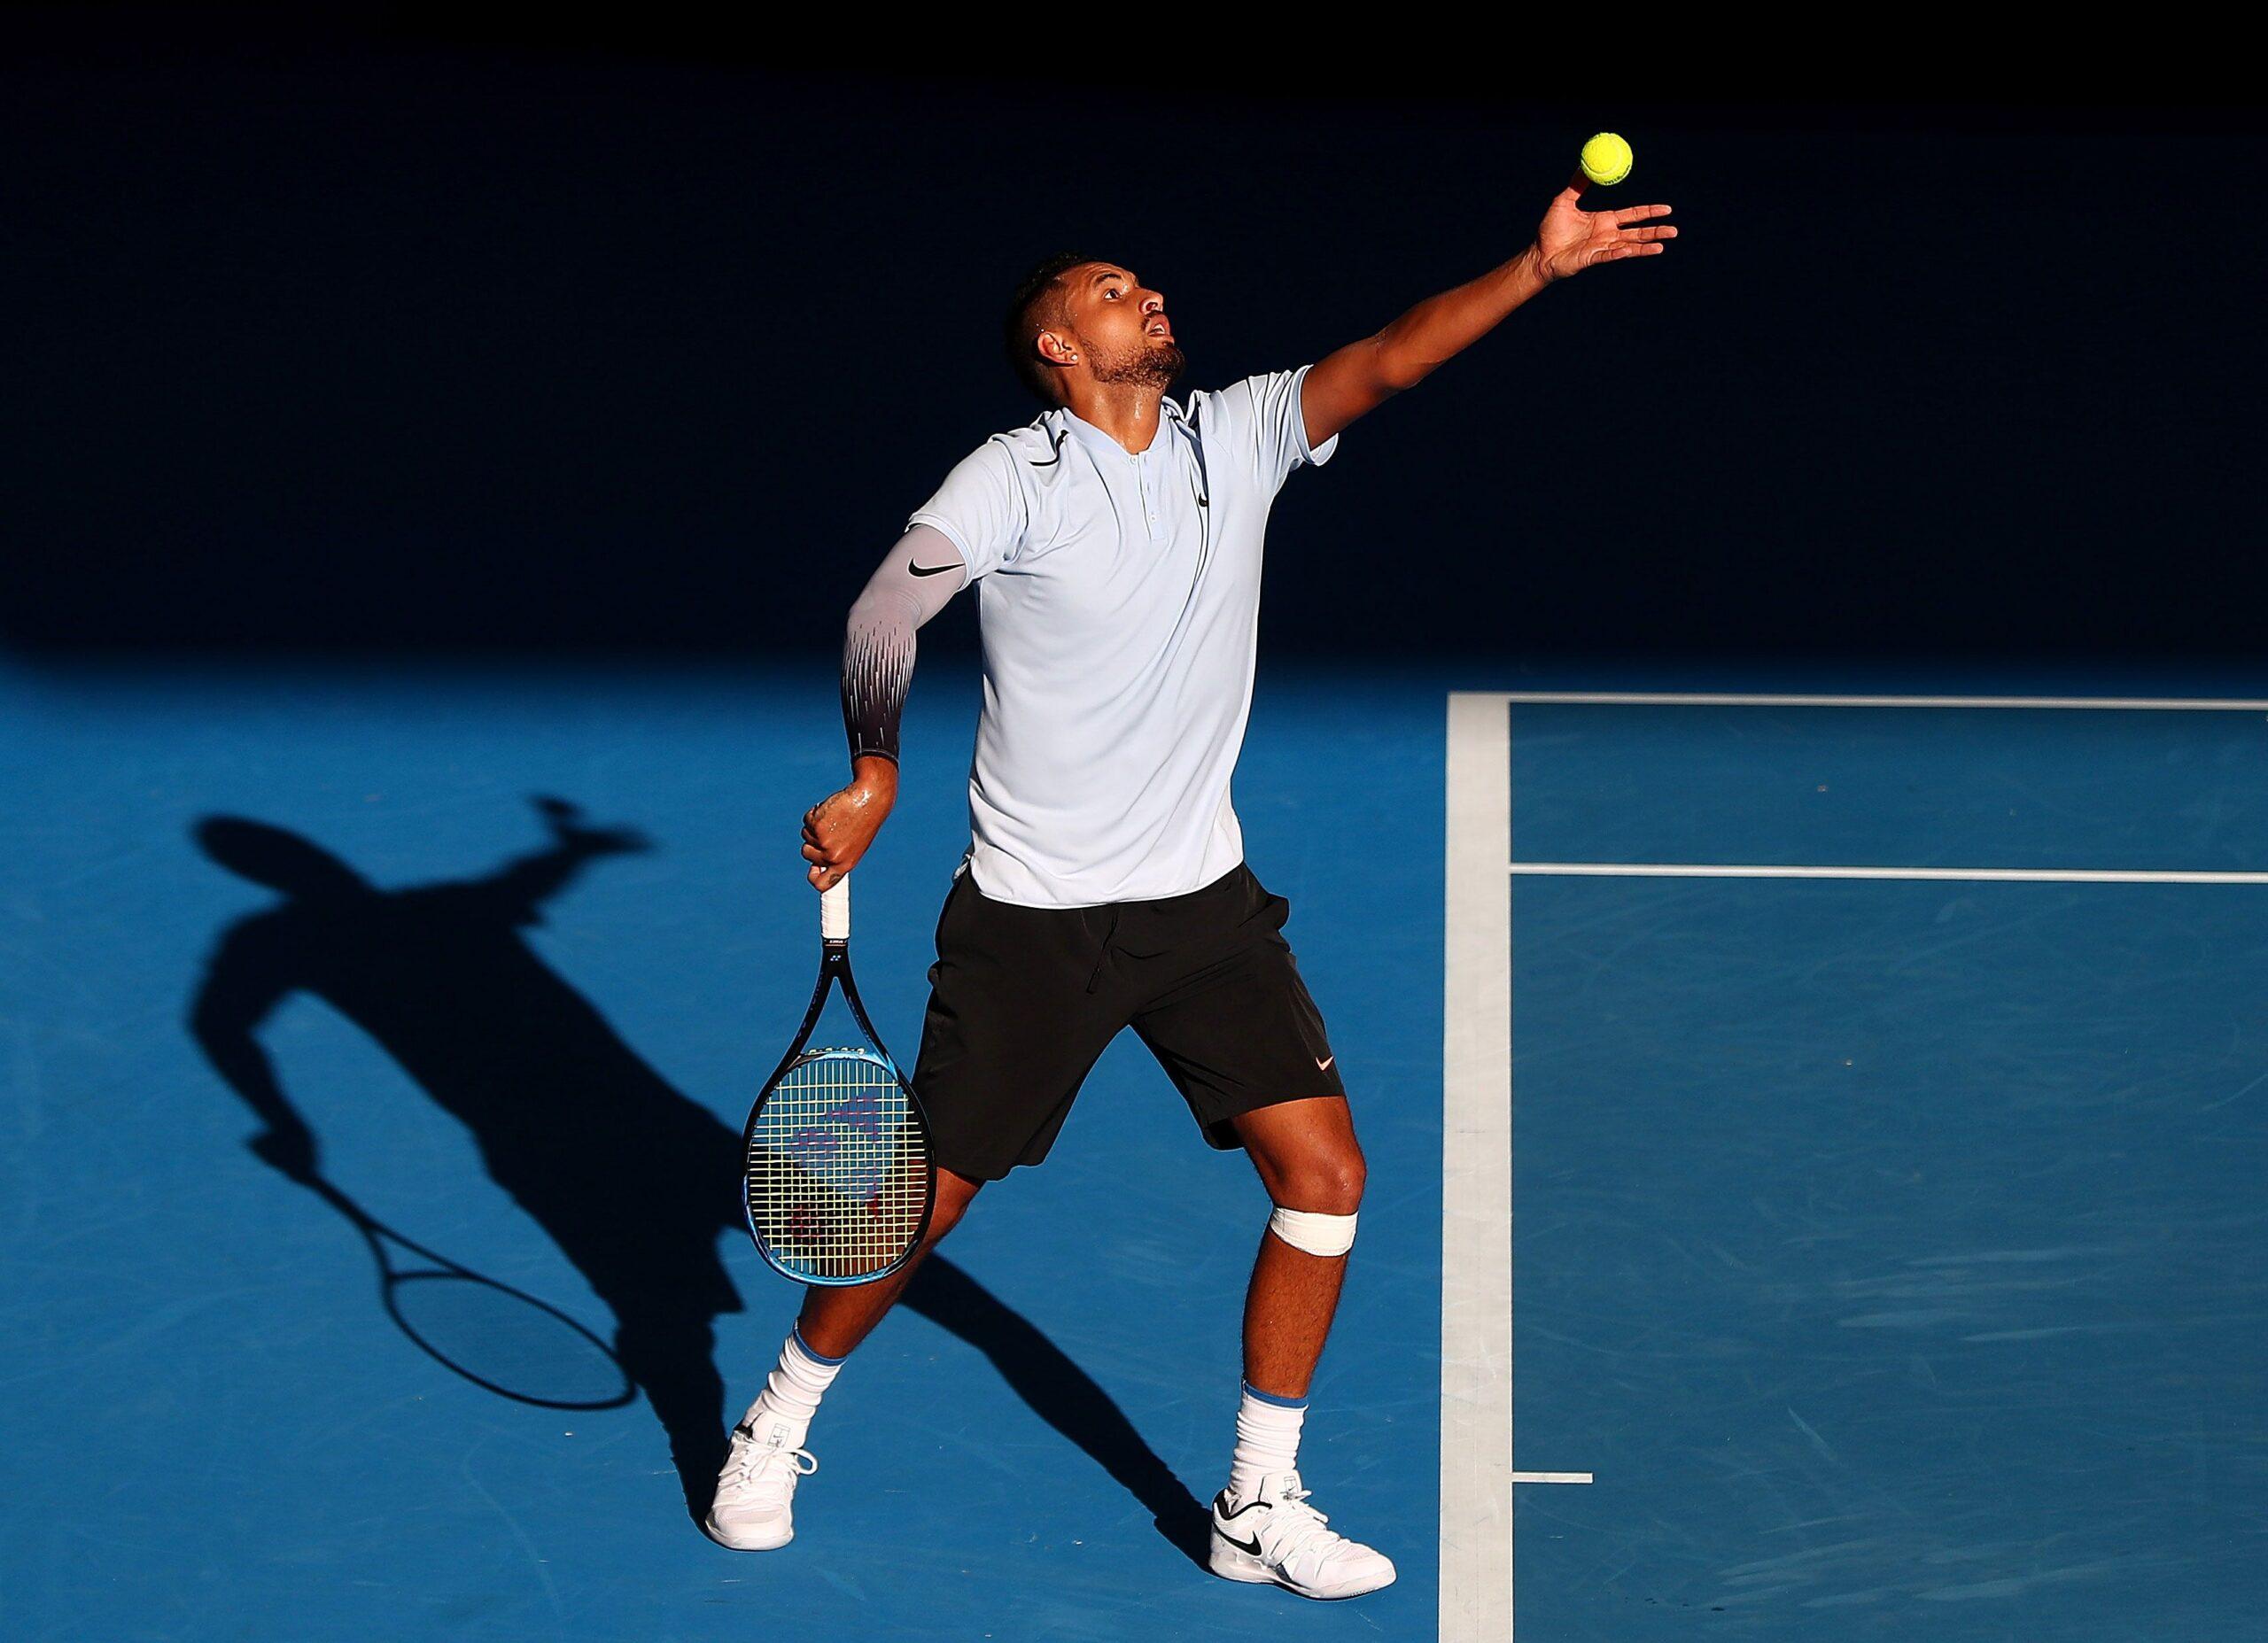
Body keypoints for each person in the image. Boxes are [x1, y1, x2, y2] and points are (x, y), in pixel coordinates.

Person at [708, 171, 1674, 1600]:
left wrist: (1533, 270)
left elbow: (1392, 357)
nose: (1147, 296)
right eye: (1111, 293)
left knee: (1326, 1178)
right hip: (1035, 925)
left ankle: (1254, 1499)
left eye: (1143, 285)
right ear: (1058, 347)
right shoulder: (1012, 477)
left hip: (1203, 908)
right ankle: (777, 1420)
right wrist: (875, 770)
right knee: (925, 1207)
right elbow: (886, 609)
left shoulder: (1242, 433)